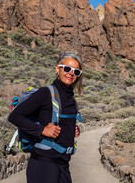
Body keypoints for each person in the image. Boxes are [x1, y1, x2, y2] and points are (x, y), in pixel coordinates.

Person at [8, 52, 83, 183]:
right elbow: (15, 116)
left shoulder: (70, 97)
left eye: (76, 71)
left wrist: (72, 129)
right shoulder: (45, 93)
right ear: (57, 69)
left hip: (63, 163)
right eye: (67, 68)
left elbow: (60, 120)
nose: (71, 73)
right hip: (43, 164)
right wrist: (42, 130)